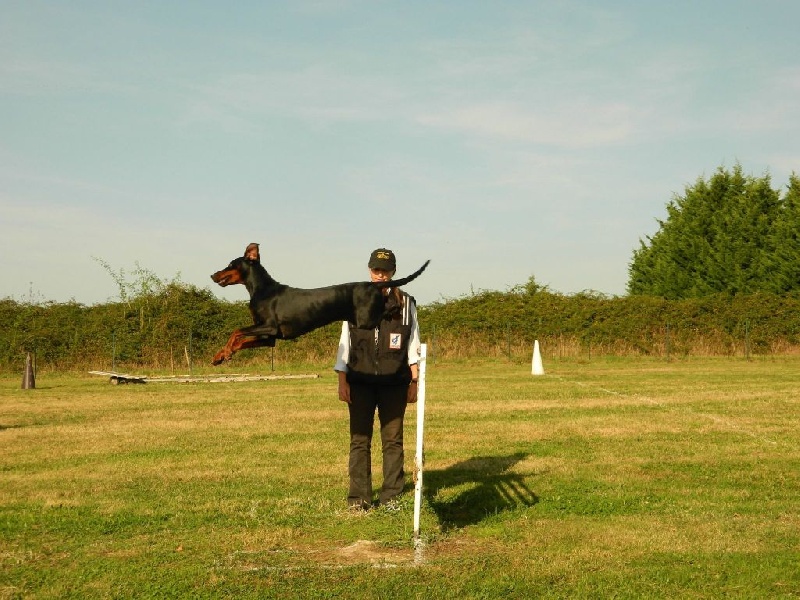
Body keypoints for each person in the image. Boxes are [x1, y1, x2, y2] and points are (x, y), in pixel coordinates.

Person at [334, 248, 421, 511]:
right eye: (376, 270)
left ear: (393, 272)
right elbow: (345, 343)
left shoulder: (407, 304)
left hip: (394, 383)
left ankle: (391, 497)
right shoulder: (354, 301)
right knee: (359, 441)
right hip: (359, 382)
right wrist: (342, 380)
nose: (380, 274)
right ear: (370, 270)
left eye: (385, 270)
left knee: (392, 440)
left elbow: (413, 344)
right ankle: (358, 499)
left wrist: (414, 382)